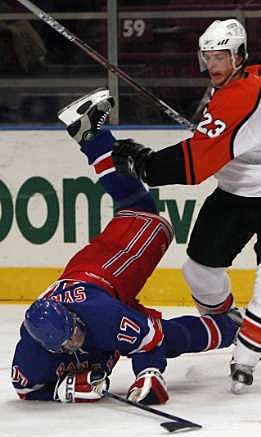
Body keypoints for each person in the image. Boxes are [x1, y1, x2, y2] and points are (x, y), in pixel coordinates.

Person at [111, 19, 261, 394]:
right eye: (209, 57)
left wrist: (145, 164)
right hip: (235, 193)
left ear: (239, 55)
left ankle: (247, 355)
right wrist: (237, 141)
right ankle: (229, 322)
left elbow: (194, 165)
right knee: (198, 272)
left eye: (222, 56)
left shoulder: (239, 98)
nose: (214, 65)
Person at [11, 89, 240, 405]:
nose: (76, 340)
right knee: (166, 334)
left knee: (146, 217)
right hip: (99, 289)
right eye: (67, 343)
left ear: (71, 316)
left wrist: (149, 375)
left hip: (104, 274)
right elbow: (25, 390)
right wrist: (63, 392)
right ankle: (232, 328)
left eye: (74, 330)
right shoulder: (31, 353)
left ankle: (91, 136)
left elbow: (149, 343)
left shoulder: (99, 316)